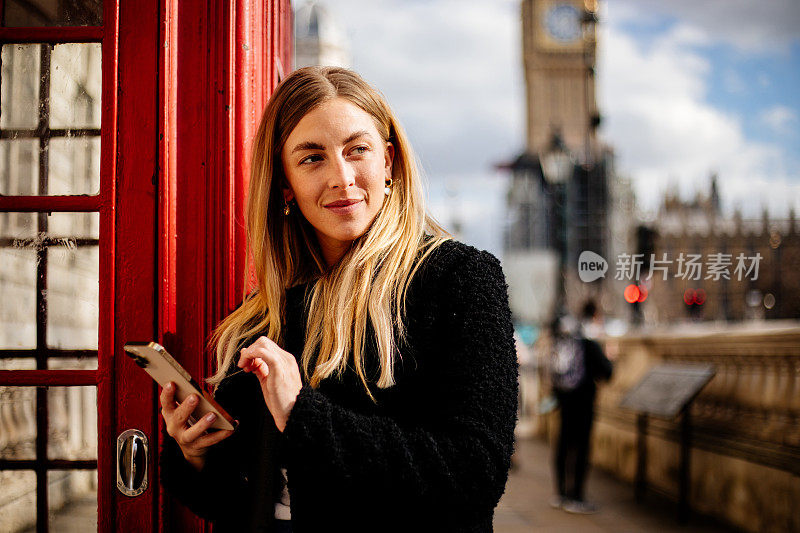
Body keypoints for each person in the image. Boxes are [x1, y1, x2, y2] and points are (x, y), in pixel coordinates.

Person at [158, 66, 518, 532]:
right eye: (312, 158)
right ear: (284, 184)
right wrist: (196, 455)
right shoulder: (262, 316)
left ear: (389, 162)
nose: (342, 177)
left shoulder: (459, 279)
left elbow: (474, 476)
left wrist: (301, 413)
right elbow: (238, 502)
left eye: (357, 150)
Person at [548, 309, 612, 514]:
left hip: (565, 405)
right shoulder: (589, 345)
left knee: (563, 446)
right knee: (582, 449)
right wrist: (611, 358)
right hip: (584, 405)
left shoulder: (561, 344)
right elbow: (607, 373)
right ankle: (576, 497)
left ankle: (561, 494)